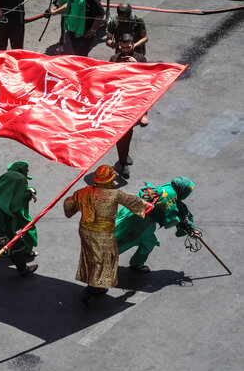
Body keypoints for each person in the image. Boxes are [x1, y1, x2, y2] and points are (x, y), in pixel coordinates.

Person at [63, 165, 150, 306]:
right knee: (105, 259)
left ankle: (97, 287)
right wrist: (148, 205)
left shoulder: (84, 192)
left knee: (91, 257)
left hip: (85, 231)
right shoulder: (115, 194)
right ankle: (91, 289)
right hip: (102, 233)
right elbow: (133, 202)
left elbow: (69, 204)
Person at [115, 177, 197, 273]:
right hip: (138, 222)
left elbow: (181, 209)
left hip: (140, 219)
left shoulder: (170, 188)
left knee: (149, 242)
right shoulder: (169, 195)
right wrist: (182, 221)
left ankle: (137, 262)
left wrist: (190, 229)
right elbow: (170, 219)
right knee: (120, 241)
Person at [0, 161, 38, 276]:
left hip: (2, 227)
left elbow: (23, 195)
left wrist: (30, 191)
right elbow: (0, 218)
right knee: (8, 247)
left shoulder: (6, 192)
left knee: (9, 248)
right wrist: (0, 236)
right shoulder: (5, 205)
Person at [108, 33, 148, 179]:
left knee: (128, 133)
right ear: (119, 46)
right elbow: (108, 78)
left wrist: (134, 65)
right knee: (123, 133)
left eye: (128, 47)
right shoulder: (114, 59)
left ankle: (124, 155)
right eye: (122, 47)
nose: (125, 50)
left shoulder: (140, 58)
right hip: (118, 101)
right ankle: (123, 161)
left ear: (133, 45)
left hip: (134, 99)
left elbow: (147, 80)